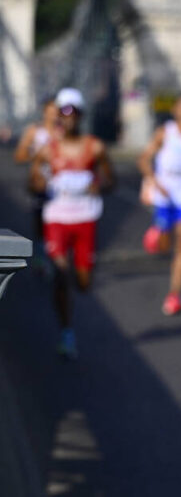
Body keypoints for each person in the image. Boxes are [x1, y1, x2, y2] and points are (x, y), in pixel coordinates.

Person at [29, 88, 115, 359]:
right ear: (58, 117)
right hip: (57, 218)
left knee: (83, 282)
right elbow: (31, 183)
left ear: (80, 116)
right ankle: (67, 332)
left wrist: (98, 184)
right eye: (63, 112)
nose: (67, 117)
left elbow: (111, 181)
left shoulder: (95, 147)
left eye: (72, 112)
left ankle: (81, 276)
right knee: (60, 275)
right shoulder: (47, 150)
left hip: (85, 219)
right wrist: (39, 183)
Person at [137, 93, 181, 315]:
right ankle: (158, 230)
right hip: (165, 194)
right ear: (175, 111)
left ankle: (174, 295)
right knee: (165, 244)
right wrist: (154, 182)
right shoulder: (164, 133)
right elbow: (143, 160)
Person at [14, 98, 60, 271]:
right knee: (40, 223)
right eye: (51, 110)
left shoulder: (64, 132)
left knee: (58, 222)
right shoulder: (35, 132)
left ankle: (57, 256)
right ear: (44, 112)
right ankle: (42, 257)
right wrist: (38, 155)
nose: (54, 114)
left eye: (57, 110)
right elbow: (19, 156)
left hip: (60, 186)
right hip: (40, 185)